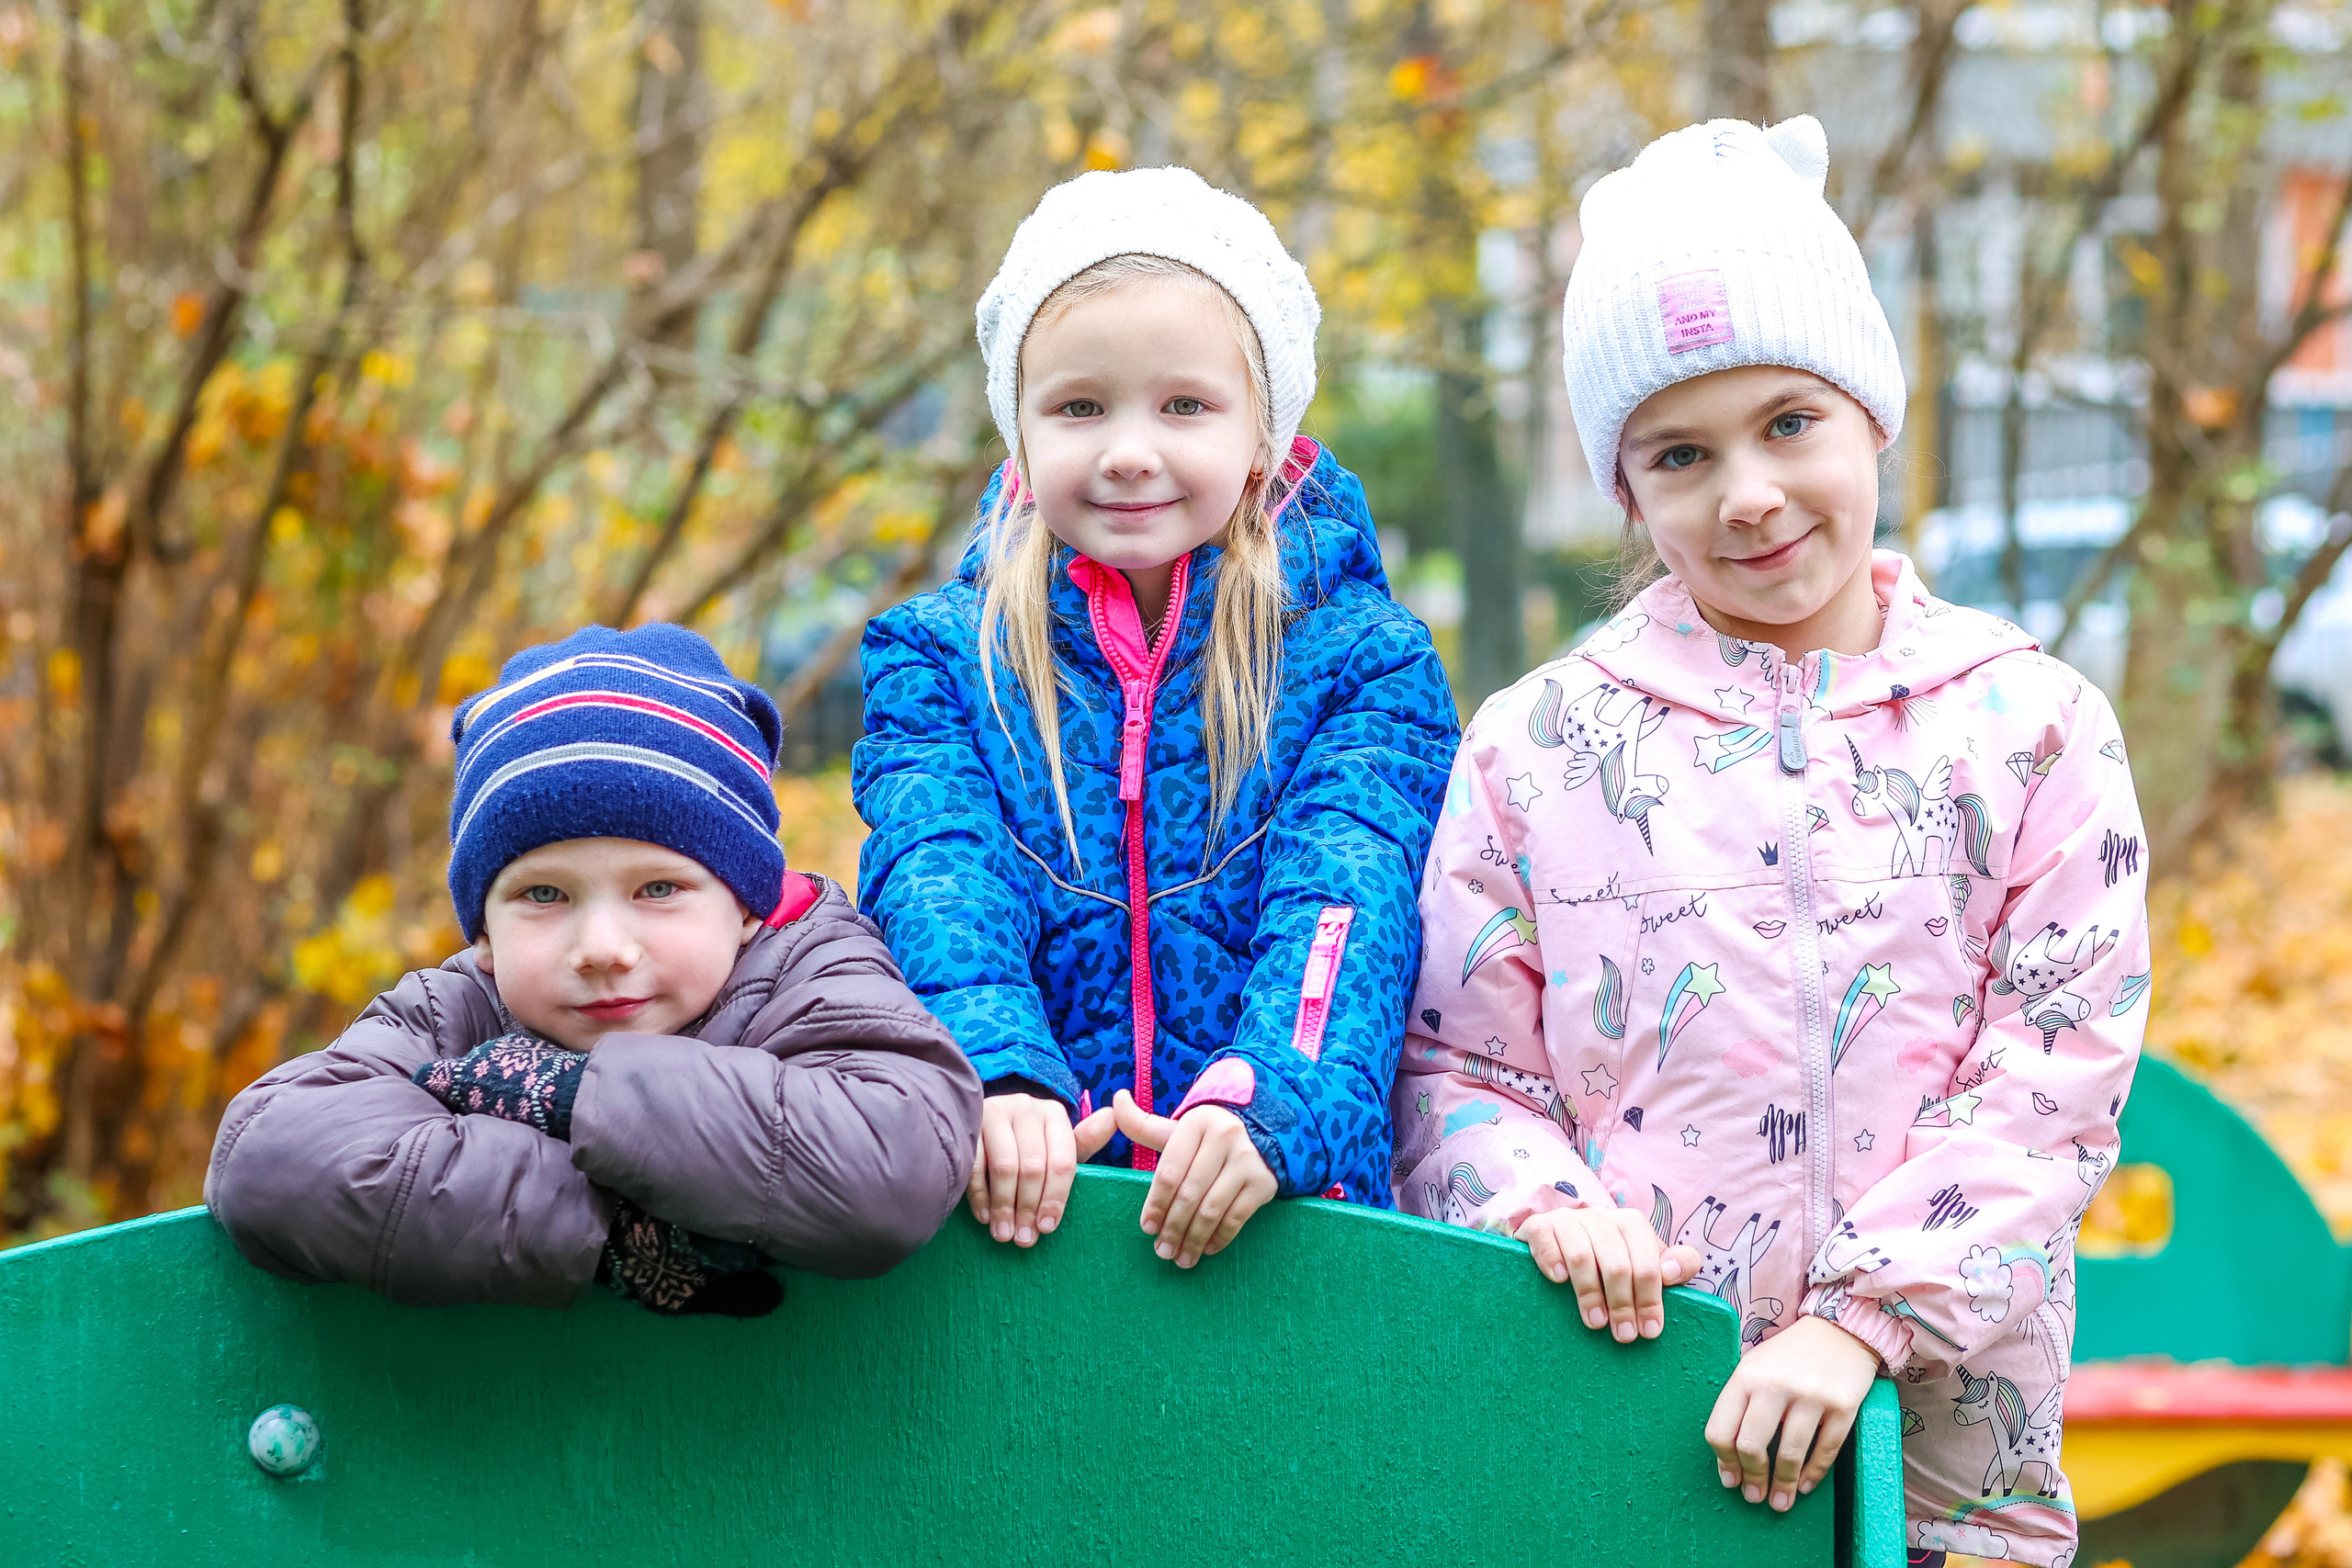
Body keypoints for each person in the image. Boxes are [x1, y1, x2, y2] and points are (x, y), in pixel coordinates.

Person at [1394, 117, 2146, 1568]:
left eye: (1790, 421)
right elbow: (1459, 1062)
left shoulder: (2033, 723)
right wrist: (1551, 1212)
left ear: (1874, 412)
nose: (1746, 491)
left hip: (1948, 1458)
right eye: (1682, 452)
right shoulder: (1537, 748)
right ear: (1630, 489)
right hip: (1632, 1435)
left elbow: (2056, 1068)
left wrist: (1861, 1321)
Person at [856, 166, 1457, 1271]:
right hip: (1030, 1204)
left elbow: (1350, 895)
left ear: (1265, 432)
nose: (1129, 449)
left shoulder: (1361, 661)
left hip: (1284, 1214)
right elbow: (937, 877)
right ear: (1020, 435)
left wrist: (1271, 1097)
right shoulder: (940, 659)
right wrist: (996, 1076)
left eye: (1183, 405)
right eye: (1080, 407)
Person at [207, 624, 981, 1315]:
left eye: (658, 889)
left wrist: (572, 1093)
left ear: (747, 902)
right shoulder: (459, 1011)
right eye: (543, 894)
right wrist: (616, 1232)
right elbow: (272, 1161)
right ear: (483, 931)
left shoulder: (811, 969)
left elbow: (894, 1163)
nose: (603, 946)